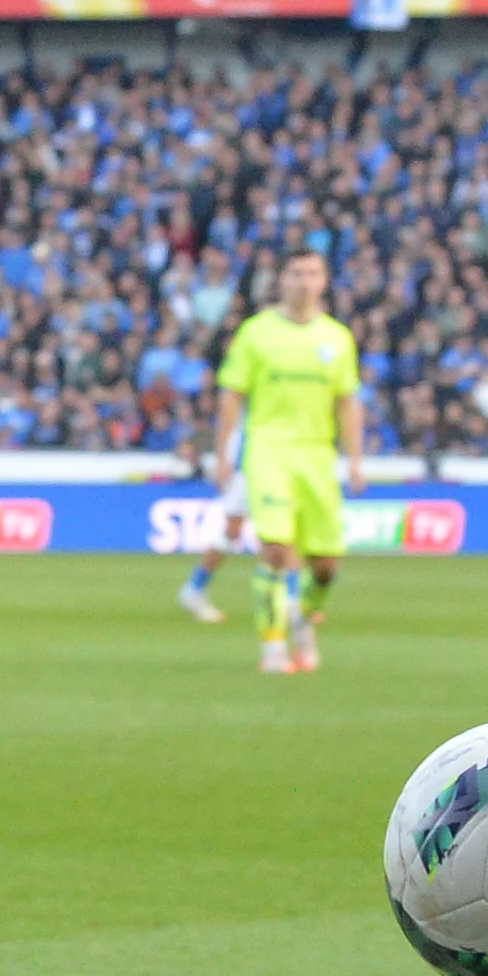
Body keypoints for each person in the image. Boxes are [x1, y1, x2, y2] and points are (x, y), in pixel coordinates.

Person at [210, 247, 363, 673]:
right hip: (268, 451)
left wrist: (356, 460)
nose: (304, 281)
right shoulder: (256, 333)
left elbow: (348, 402)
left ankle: (302, 616)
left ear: (324, 281)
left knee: (327, 564)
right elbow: (232, 396)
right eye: (296, 273)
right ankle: (273, 646)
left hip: (317, 453)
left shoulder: (336, 338)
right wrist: (222, 455)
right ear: (282, 281)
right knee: (276, 550)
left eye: (312, 273)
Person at [174, 407, 252, 622]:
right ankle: (194, 589)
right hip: (247, 469)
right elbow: (230, 421)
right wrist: (224, 462)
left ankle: (295, 598)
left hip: (271, 467)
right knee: (232, 531)